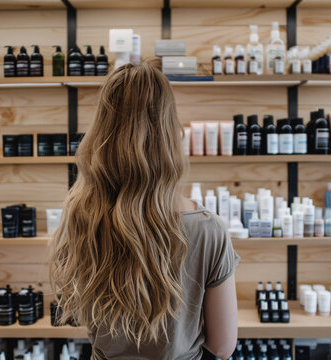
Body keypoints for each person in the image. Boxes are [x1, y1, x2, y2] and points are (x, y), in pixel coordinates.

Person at [50, 59, 239, 359]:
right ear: (168, 133)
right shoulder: (207, 229)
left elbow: (81, 312)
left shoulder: (81, 214)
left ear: (102, 132)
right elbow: (222, 346)